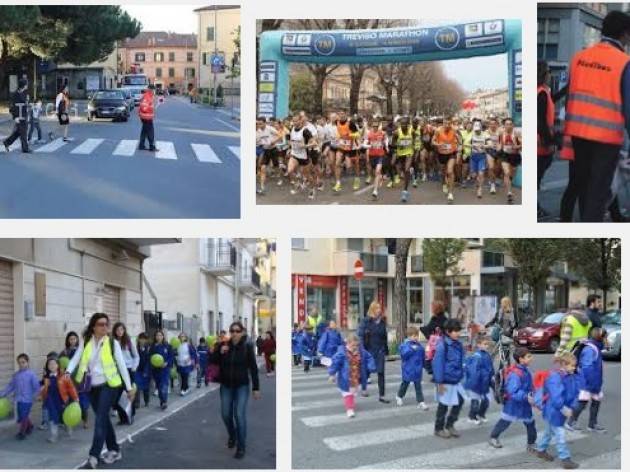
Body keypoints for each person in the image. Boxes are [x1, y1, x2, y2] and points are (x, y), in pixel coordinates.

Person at [563, 11, 630, 221]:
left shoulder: (578, 58)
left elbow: (569, 96)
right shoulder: (624, 62)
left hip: (578, 135)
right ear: (625, 34)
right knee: (598, 192)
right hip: (606, 138)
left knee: (584, 187)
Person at [65, 313, 134, 469]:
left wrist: (129, 388)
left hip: (109, 386)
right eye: (101, 324)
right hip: (91, 387)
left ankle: (94, 455)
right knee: (103, 419)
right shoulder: (86, 341)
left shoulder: (112, 343)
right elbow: (76, 357)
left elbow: (122, 366)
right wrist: (68, 371)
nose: (104, 327)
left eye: (106, 324)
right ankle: (114, 450)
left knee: (100, 419)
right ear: (94, 327)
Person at [211, 321, 260, 459]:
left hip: (242, 386)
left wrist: (256, 388)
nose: (234, 333)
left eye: (237, 331)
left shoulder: (247, 347)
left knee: (239, 415)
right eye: (232, 331)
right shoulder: (223, 345)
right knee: (225, 414)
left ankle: (241, 446)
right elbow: (213, 362)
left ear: (242, 332)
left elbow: (254, 369)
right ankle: (232, 435)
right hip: (226, 385)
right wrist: (219, 352)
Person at [535, 351, 580, 469]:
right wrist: (564, 408)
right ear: (564, 365)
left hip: (560, 411)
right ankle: (565, 459)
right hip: (554, 411)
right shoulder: (555, 377)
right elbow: (556, 397)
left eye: (575, 365)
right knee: (560, 435)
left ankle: (541, 450)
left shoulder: (571, 376)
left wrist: (572, 406)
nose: (574, 368)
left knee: (548, 432)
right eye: (572, 365)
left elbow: (576, 392)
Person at [489, 347, 537, 451]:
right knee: (505, 422)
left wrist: (535, 394)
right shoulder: (515, 374)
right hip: (513, 405)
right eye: (528, 357)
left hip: (524, 404)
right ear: (521, 359)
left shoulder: (527, 371)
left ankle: (531, 443)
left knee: (530, 424)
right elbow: (513, 392)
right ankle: (493, 437)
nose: (531, 358)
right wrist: (526, 396)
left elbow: (531, 385)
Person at [566, 327, 606, 433]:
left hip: (594, 382)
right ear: (600, 337)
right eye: (604, 337)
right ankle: (571, 422)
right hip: (588, 382)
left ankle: (592, 424)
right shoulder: (590, 349)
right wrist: (592, 384)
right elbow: (587, 367)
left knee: (596, 401)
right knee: (582, 401)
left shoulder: (595, 347)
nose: (606, 339)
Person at [328, 333, 375, 418]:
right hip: (345, 378)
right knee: (348, 393)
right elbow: (335, 363)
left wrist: (371, 366)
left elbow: (369, 357)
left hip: (356, 377)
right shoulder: (342, 353)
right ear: (348, 343)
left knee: (353, 393)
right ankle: (350, 410)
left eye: (357, 345)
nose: (355, 347)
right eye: (353, 345)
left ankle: (350, 404)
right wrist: (332, 374)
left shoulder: (361, 352)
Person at [432, 318, 465, 439]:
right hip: (445, 381)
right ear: (448, 331)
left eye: (458, 331)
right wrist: (439, 382)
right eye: (455, 331)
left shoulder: (458, 345)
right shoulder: (443, 346)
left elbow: (461, 361)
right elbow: (438, 364)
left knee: (460, 401)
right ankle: (439, 428)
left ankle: (450, 424)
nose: (458, 333)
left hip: (455, 380)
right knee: (444, 405)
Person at [0, 353, 40, 439]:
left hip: (28, 400)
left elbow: (36, 387)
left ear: (28, 362)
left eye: (23, 362)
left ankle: (22, 433)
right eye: (19, 362)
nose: (21, 364)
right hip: (19, 399)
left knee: (24, 416)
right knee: (22, 415)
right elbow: (11, 386)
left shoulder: (31, 375)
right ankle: (30, 426)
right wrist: (2, 393)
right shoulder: (16, 375)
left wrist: (36, 396)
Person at [41, 356, 79, 442]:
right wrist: (41, 395)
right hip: (50, 401)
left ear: (58, 365)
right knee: (52, 417)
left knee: (63, 416)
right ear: (47, 366)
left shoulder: (64, 376)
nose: (52, 366)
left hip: (62, 400)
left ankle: (68, 427)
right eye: (49, 364)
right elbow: (44, 388)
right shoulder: (46, 377)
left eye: (54, 364)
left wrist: (75, 398)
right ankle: (54, 435)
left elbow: (71, 387)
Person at [357, 301, 389, 403]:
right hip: (368, 350)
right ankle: (364, 388)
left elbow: (384, 337)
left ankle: (382, 395)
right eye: (377, 308)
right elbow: (360, 335)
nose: (379, 310)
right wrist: (362, 350)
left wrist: (386, 350)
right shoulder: (366, 321)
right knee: (366, 370)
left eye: (380, 308)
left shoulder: (382, 322)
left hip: (380, 350)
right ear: (372, 309)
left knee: (381, 373)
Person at [537, 60, 556, 218]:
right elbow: (540, 121)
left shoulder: (543, 91)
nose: (550, 74)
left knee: (538, 177)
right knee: (537, 178)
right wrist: (551, 140)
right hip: (541, 143)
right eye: (548, 71)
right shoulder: (541, 93)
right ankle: (535, 209)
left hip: (542, 142)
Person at [60, 331, 89, 429]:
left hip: (81, 379)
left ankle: (85, 420)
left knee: (83, 402)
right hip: (69, 380)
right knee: (71, 400)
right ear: (68, 340)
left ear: (77, 340)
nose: (72, 341)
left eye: (74, 338)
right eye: (70, 339)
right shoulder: (64, 352)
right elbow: (60, 364)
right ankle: (70, 419)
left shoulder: (82, 350)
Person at [111, 322, 139, 424]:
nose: (120, 332)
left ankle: (130, 416)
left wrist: (134, 367)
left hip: (128, 370)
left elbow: (136, 356)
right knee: (117, 396)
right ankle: (122, 418)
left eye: (122, 329)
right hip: (116, 372)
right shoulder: (111, 342)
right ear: (114, 330)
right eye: (118, 330)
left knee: (129, 394)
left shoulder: (129, 341)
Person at [464, 334, 494, 424]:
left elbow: (490, 368)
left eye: (487, 344)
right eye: (484, 344)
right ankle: (471, 417)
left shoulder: (487, 355)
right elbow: (474, 372)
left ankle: (481, 414)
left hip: (485, 382)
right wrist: (475, 384)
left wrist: (492, 377)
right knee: (475, 403)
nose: (486, 346)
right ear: (478, 345)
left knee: (486, 401)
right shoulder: (477, 357)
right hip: (477, 384)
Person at [396, 326, 428, 410]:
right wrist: (411, 349)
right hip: (408, 370)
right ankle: (399, 396)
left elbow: (423, 358)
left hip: (417, 370)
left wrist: (427, 366)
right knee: (405, 384)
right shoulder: (405, 345)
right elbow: (403, 355)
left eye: (417, 335)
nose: (416, 337)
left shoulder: (420, 347)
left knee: (418, 386)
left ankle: (421, 402)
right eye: (414, 336)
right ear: (409, 336)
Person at [432, 116, 459, 203]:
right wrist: (437, 144)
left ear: (451, 123)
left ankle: (450, 193)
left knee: (450, 171)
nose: (447, 125)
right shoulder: (438, 130)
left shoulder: (454, 130)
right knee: (443, 171)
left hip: (451, 153)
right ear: (443, 123)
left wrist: (458, 144)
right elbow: (432, 141)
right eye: (445, 123)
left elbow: (459, 139)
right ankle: (444, 183)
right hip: (442, 154)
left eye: (448, 123)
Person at [3, 78, 31, 154]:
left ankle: (7, 142)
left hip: (24, 115)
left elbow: (25, 104)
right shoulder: (16, 94)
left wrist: (27, 102)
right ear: (23, 85)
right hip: (19, 117)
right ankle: (25, 149)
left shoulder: (24, 93)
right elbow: (12, 107)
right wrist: (15, 117)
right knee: (23, 132)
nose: (27, 85)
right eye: (26, 84)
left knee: (19, 132)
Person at [392, 117, 415, 202]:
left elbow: (413, 140)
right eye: (402, 124)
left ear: (408, 125)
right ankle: (408, 173)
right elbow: (393, 143)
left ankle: (405, 191)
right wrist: (397, 146)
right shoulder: (396, 133)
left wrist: (413, 150)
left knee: (406, 169)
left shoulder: (411, 132)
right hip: (400, 154)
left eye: (405, 124)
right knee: (396, 166)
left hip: (409, 153)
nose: (403, 126)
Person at [499, 118, 522, 204]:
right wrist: (499, 148)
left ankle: (508, 181)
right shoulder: (501, 133)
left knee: (512, 174)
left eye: (510, 124)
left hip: (515, 155)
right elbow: (500, 144)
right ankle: (509, 193)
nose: (508, 126)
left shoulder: (517, 134)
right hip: (505, 155)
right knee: (507, 172)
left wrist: (515, 147)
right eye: (507, 124)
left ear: (513, 125)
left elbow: (522, 145)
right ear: (504, 125)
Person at [365, 118, 388, 200]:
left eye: (376, 126)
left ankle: (375, 191)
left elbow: (386, 140)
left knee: (377, 172)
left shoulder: (382, 133)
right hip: (372, 156)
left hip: (380, 155)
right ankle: (381, 177)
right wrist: (369, 146)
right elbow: (364, 144)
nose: (375, 127)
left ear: (378, 126)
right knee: (376, 172)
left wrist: (386, 146)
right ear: (372, 126)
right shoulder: (369, 134)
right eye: (374, 126)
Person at [149, 330, 173, 410]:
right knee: (159, 386)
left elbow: (171, 357)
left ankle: (164, 402)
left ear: (163, 337)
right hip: (156, 370)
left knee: (164, 385)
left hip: (165, 370)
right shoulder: (152, 347)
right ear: (155, 337)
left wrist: (167, 363)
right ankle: (162, 401)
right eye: (157, 335)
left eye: (160, 335)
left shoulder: (168, 346)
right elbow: (150, 357)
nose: (159, 337)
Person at [470, 120, 489, 198]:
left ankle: (480, 189)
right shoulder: (471, 134)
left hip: (482, 156)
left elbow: (490, 144)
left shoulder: (485, 135)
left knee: (481, 173)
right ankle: (478, 184)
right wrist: (472, 146)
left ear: (481, 128)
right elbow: (466, 142)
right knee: (474, 175)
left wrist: (483, 146)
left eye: (478, 129)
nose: (477, 131)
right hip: (473, 156)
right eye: (476, 130)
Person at [138, 84, 158, 152]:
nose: (154, 91)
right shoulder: (147, 96)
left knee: (144, 131)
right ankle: (151, 146)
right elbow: (144, 107)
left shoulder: (149, 96)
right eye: (153, 90)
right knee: (150, 131)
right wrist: (151, 108)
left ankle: (141, 145)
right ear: (151, 89)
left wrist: (152, 106)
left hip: (145, 116)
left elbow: (148, 105)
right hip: (146, 117)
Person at [134, 333, 152, 408]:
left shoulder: (149, 348)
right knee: (136, 387)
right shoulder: (135, 347)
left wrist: (146, 370)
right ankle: (137, 403)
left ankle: (146, 401)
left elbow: (149, 361)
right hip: (137, 370)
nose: (142, 340)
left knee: (146, 387)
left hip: (146, 371)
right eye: (141, 338)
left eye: (144, 339)